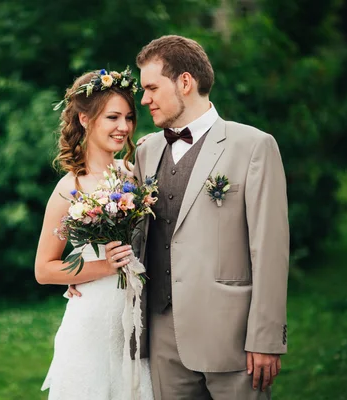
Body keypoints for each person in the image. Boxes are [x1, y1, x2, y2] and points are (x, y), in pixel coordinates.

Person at [107, 35, 290, 399]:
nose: (144, 100)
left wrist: (266, 337)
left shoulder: (253, 146)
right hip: (161, 335)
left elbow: (270, 249)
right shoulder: (147, 150)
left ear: (185, 83)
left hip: (231, 336)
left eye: (152, 88)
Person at [35, 68, 154, 399]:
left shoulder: (135, 175)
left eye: (129, 117)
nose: (124, 127)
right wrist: (102, 267)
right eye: (112, 117)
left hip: (136, 320)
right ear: (85, 119)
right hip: (92, 323)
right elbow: (44, 269)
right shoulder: (69, 188)